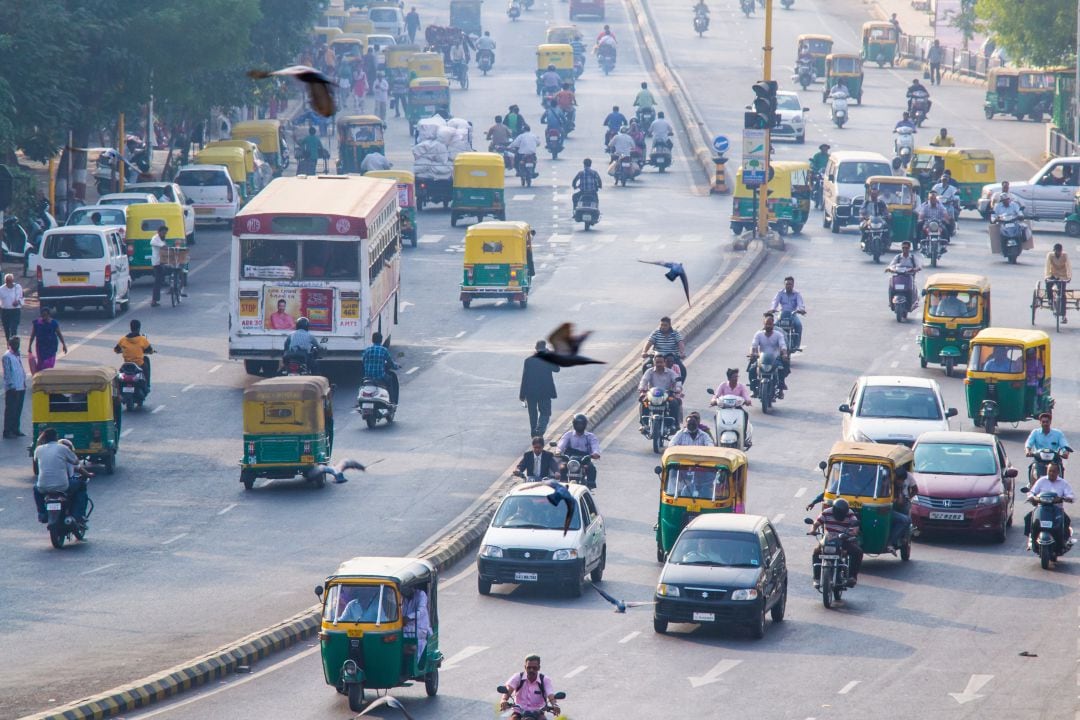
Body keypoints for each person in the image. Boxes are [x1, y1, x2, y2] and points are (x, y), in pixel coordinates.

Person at [32, 427, 88, 524]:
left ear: (43, 438)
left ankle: (42, 513)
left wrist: (38, 440)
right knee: (81, 486)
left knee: (35, 489)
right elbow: (75, 461)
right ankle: (78, 515)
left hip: (43, 487)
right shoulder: (62, 448)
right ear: (56, 437)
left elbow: (35, 459)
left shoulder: (39, 449)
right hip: (62, 486)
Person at [810, 497, 862, 588]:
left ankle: (852, 577)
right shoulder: (826, 512)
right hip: (829, 538)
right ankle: (817, 578)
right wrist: (813, 530)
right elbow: (816, 523)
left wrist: (853, 532)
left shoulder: (850, 513)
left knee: (858, 552)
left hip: (843, 538)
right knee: (816, 552)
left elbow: (855, 525)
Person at [1025, 461, 1074, 542]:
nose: (1051, 473)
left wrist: (1065, 498)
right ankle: (1031, 538)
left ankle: (1064, 541)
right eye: (1049, 471)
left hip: (1056, 510)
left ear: (1058, 472)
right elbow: (1032, 492)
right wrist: (1032, 498)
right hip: (1041, 508)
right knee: (1028, 518)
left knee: (1066, 520)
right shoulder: (1041, 481)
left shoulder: (1063, 483)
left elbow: (1070, 495)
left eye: (1053, 471)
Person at [500, 655, 560, 720]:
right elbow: (508, 690)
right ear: (525, 667)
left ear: (539, 668)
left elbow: (550, 694)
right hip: (519, 712)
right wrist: (504, 700)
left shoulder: (545, 680)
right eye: (529, 667)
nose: (531, 670)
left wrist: (555, 705)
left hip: (538, 713)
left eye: (534, 668)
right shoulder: (518, 677)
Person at [520, 339, 560, 437]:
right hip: (545, 392)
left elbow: (525, 378)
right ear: (545, 348)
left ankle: (534, 433)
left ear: (536, 349)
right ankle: (540, 430)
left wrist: (522, 395)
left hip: (531, 393)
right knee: (545, 412)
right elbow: (557, 369)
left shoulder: (528, 361)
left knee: (532, 415)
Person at [748, 312, 789, 399]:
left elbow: (783, 346)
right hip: (761, 359)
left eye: (770, 324)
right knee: (752, 369)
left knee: (782, 369)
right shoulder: (758, 334)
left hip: (775, 359)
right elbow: (754, 346)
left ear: (773, 324)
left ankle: (781, 389)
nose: (768, 326)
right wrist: (752, 353)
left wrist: (784, 354)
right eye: (767, 324)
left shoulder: (779, 335)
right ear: (764, 324)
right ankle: (754, 390)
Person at [639, 353, 683, 426]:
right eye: (657, 362)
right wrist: (642, 388)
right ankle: (644, 423)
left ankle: (674, 424)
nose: (659, 364)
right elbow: (644, 380)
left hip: (667, 395)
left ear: (664, 362)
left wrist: (678, 388)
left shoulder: (670, 372)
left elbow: (677, 380)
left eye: (661, 362)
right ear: (654, 363)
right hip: (651, 395)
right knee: (644, 403)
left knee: (674, 403)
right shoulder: (649, 371)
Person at [557, 414, 600, 488]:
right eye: (578, 423)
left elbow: (595, 446)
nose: (579, 426)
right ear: (574, 424)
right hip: (570, 458)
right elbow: (561, 444)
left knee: (591, 468)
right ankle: (562, 485)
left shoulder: (590, 436)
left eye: (581, 424)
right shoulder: (568, 435)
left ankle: (589, 486)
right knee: (562, 467)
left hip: (584, 458)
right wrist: (558, 451)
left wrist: (595, 453)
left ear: (585, 425)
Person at [114, 319, 154, 391]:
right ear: (139, 328)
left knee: (117, 376)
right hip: (139, 364)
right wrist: (152, 351)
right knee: (146, 368)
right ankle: (147, 385)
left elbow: (116, 350)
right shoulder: (142, 339)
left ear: (131, 328)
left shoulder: (123, 339)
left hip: (127, 365)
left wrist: (122, 350)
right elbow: (150, 350)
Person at [361, 331, 400, 405]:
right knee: (391, 380)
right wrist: (396, 366)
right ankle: (392, 401)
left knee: (361, 384)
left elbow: (363, 361)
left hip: (368, 377)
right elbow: (391, 363)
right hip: (380, 376)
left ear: (372, 340)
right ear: (381, 340)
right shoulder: (383, 350)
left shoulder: (367, 350)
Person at [770, 276, 807, 347]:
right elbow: (775, 302)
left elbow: (800, 303)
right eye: (787, 284)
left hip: (792, 315)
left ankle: (797, 345)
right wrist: (772, 309)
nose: (788, 286)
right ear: (784, 285)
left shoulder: (797, 294)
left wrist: (801, 310)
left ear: (793, 285)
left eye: (790, 284)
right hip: (782, 314)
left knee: (798, 325)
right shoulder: (780, 293)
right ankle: (772, 344)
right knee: (772, 326)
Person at [27, 307, 66, 372]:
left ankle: (46, 374)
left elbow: (59, 334)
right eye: (42, 315)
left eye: (45, 315)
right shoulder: (37, 323)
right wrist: (29, 346)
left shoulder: (54, 323)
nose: (44, 317)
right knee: (41, 363)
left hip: (51, 347)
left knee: (49, 363)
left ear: (49, 315)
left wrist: (64, 344)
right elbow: (33, 335)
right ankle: (40, 375)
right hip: (41, 347)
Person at [3, 336, 26, 438]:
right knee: (11, 410)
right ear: (10, 344)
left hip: (21, 385)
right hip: (13, 387)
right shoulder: (7, 356)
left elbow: (20, 368)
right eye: (15, 344)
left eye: (18, 343)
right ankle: (7, 431)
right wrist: (11, 386)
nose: (17, 345)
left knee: (18, 409)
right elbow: (7, 373)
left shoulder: (18, 354)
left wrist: (24, 382)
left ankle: (16, 429)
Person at [402, 585, 432, 661]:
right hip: (408, 627)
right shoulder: (404, 598)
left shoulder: (421, 595)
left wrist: (408, 618)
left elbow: (421, 611)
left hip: (420, 628)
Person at [1045, 243, 1072, 324]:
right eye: (1056, 251)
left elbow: (1069, 266)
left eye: (1059, 251)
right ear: (1054, 251)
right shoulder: (1050, 255)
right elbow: (1047, 266)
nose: (1058, 253)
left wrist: (1069, 277)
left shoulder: (1065, 255)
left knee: (1062, 294)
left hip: (1062, 276)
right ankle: (1050, 299)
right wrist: (1047, 276)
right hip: (1053, 274)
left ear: (1061, 251)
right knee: (1048, 284)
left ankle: (1063, 316)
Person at [888, 473, 913, 551]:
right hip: (886, 511)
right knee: (905, 520)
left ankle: (904, 538)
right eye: (901, 480)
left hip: (893, 508)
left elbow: (900, 502)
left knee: (907, 518)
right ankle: (891, 543)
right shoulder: (888, 484)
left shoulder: (899, 487)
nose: (902, 482)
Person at [148, 225, 169, 307]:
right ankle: (154, 300)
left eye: (165, 233)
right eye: (163, 233)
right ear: (159, 232)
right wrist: (163, 246)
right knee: (157, 282)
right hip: (157, 263)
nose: (164, 234)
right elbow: (153, 243)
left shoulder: (162, 238)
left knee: (162, 279)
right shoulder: (155, 238)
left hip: (162, 262)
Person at [0, 273, 24, 341]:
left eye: (10, 281)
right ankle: (9, 344)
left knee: (13, 328)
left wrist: (18, 302)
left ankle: (13, 344)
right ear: (5, 281)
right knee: (6, 329)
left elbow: (22, 298)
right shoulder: (1, 289)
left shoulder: (18, 287)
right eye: (7, 281)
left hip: (15, 311)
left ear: (12, 280)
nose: (9, 283)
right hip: (5, 311)